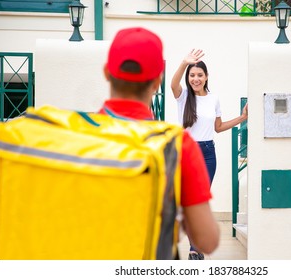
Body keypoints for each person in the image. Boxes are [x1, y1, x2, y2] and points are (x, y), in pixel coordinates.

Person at [100, 28, 220, 259]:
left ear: (106, 73)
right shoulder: (174, 145)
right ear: (157, 82)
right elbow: (208, 239)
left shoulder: (82, 136)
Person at [171, 49, 248, 260]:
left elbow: (219, 127)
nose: (195, 79)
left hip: (207, 154)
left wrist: (242, 118)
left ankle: (195, 249)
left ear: (206, 77)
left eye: (199, 75)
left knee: (199, 201)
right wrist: (183, 63)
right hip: (187, 152)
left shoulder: (214, 99)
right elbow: (173, 84)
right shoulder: (183, 97)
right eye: (192, 75)